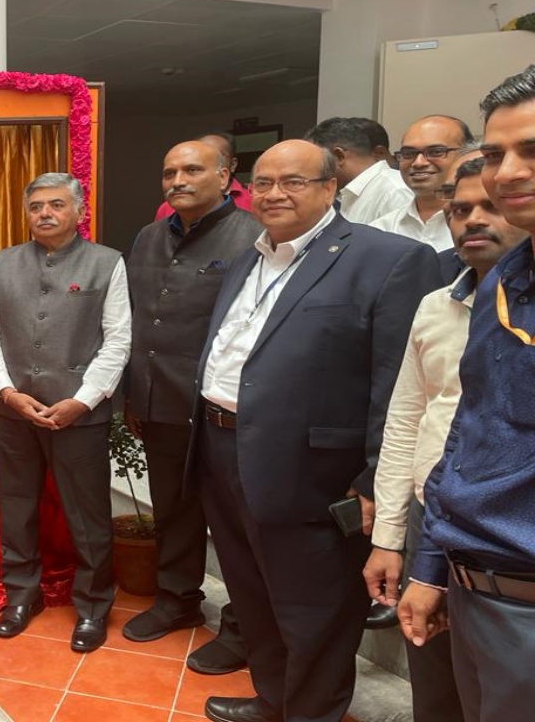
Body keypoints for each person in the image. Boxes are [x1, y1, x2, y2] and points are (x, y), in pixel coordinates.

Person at [193, 141, 441, 722]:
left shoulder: (388, 259)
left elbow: (400, 387)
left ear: (331, 188)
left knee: (315, 614)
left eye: (294, 182)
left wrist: (375, 482)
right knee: (252, 597)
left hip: (315, 474)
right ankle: (274, 700)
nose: (274, 193)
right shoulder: (247, 259)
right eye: (264, 182)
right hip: (221, 452)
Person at [363, 152, 526, 722]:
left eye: (490, 206)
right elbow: (407, 420)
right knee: (436, 687)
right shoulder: (437, 305)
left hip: (510, 540)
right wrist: (389, 535)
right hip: (432, 524)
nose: (472, 221)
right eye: (460, 210)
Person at [399, 65, 535, 722]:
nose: (507, 172)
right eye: (497, 153)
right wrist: (428, 562)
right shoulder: (503, 282)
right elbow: (468, 429)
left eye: (530, 152)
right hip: (473, 584)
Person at [0, 172, 131, 653]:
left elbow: (118, 339)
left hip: (79, 414)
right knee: (16, 508)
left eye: (56, 205)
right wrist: (7, 391)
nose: (45, 213)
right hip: (14, 413)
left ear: (78, 210)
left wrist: (83, 399)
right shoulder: (5, 262)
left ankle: (92, 606)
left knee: (88, 516)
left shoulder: (108, 264)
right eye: (37, 206)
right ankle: (22, 597)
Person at [122, 141, 260, 675]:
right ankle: (177, 599)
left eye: (192, 170)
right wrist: (134, 394)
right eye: (169, 171)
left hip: (224, 408)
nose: (177, 179)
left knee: (234, 521)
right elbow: (137, 319)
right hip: (160, 400)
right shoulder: (149, 237)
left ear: (225, 176)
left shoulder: (252, 236)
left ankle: (244, 626)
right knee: (173, 508)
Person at [369, 115, 472, 251]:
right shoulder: (380, 230)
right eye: (409, 153)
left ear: (467, 155)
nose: (418, 163)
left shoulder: (482, 226)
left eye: (436, 152)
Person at [304, 117, 412, 223]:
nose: (310, 170)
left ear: (339, 156)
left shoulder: (394, 191)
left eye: (315, 161)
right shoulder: (347, 194)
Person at [155, 132, 251, 220]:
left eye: (192, 170)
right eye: (170, 173)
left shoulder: (253, 201)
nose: (178, 182)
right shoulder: (166, 208)